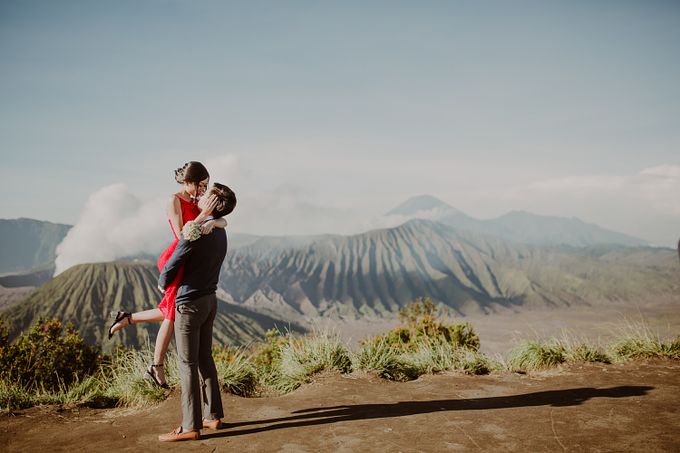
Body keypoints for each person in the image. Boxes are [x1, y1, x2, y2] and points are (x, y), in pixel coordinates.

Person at [107, 161, 227, 388]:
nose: (203, 189)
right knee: (172, 314)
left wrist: (214, 221)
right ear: (188, 182)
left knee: (170, 309)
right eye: (200, 185)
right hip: (177, 258)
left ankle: (127, 318)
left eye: (206, 185)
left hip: (190, 259)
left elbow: (224, 221)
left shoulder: (196, 201)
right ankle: (156, 367)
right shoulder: (173, 200)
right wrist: (205, 217)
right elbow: (183, 233)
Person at [157, 182, 237, 442]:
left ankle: (190, 426)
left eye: (207, 194)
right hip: (210, 301)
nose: (201, 196)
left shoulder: (198, 232)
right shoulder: (219, 231)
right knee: (205, 358)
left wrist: (162, 283)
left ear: (213, 204)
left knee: (187, 364)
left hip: (189, 305)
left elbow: (171, 266)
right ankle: (213, 415)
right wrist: (212, 220)